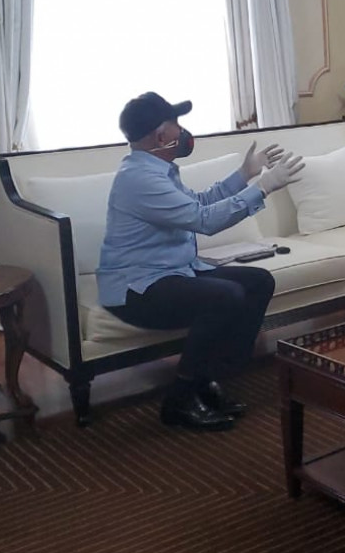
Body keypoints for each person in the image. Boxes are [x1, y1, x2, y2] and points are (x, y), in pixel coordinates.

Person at [97, 92, 304, 431]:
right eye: (176, 124)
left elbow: (199, 202)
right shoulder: (140, 179)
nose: (182, 131)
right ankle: (179, 399)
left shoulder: (158, 170)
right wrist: (263, 188)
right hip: (137, 290)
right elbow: (204, 220)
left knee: (258, 281)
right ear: (161, 136)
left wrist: (245, 174)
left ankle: (207, 379)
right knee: (225, 296)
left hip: (172, 273)